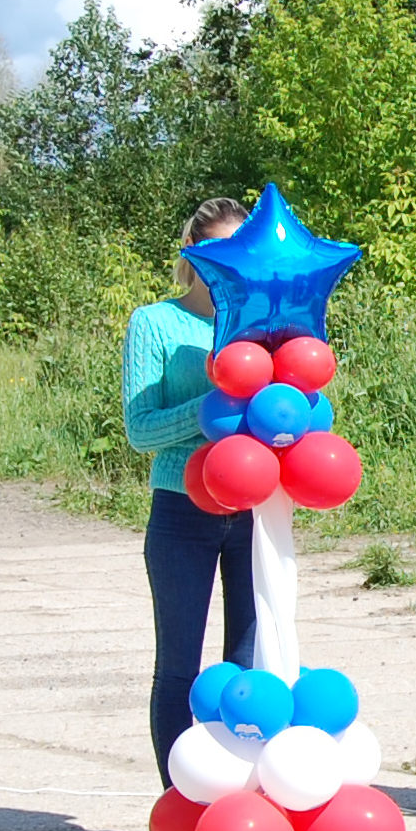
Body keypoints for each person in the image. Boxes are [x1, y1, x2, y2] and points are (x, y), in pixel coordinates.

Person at [122, 196, 253, 785]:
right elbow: (139, 428)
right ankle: (181, 800)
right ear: (193, 255)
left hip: (253, 514)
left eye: (240, 249)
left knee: (249, 670)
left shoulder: (261, 326)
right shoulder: (154, 323)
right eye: (217, 250)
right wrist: (213, 408)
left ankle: (245, 796)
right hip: (181, 512)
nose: (230, 262)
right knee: (178, 668)